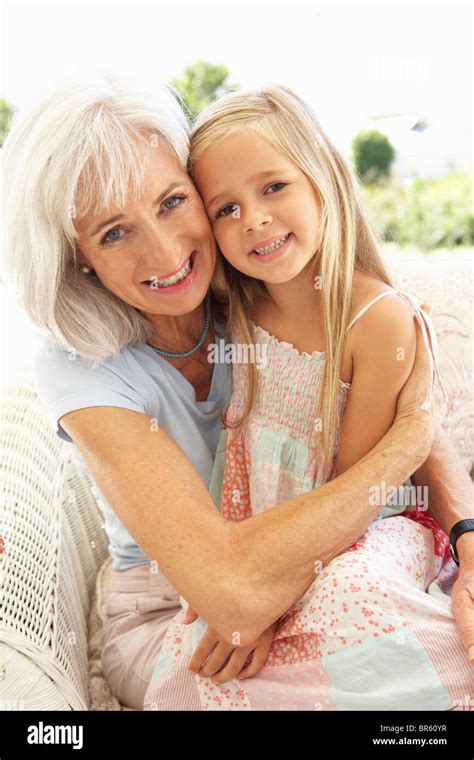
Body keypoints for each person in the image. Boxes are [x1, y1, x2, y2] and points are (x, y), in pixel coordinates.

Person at [1, 80, 472, 711]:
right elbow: (230, 592)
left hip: (311, 566)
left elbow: (398, 409)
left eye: (172, 203)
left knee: (408, 638)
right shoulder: (80, 364)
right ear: (75, 257)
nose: (165, 252)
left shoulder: (252, 281)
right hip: (175, 603)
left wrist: (467, 539)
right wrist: (405, 445)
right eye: (115, 233)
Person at [141, 86, 474, 710]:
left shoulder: (375, 320)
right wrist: (247, 595)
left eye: (273, 188)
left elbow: (355, 489)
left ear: (319, 177)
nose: (255, 220)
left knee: (356, 593)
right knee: (203, 649)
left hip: (355, 526)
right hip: (260, 528)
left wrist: (269, 599)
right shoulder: (235, 306)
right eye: (226, 209)